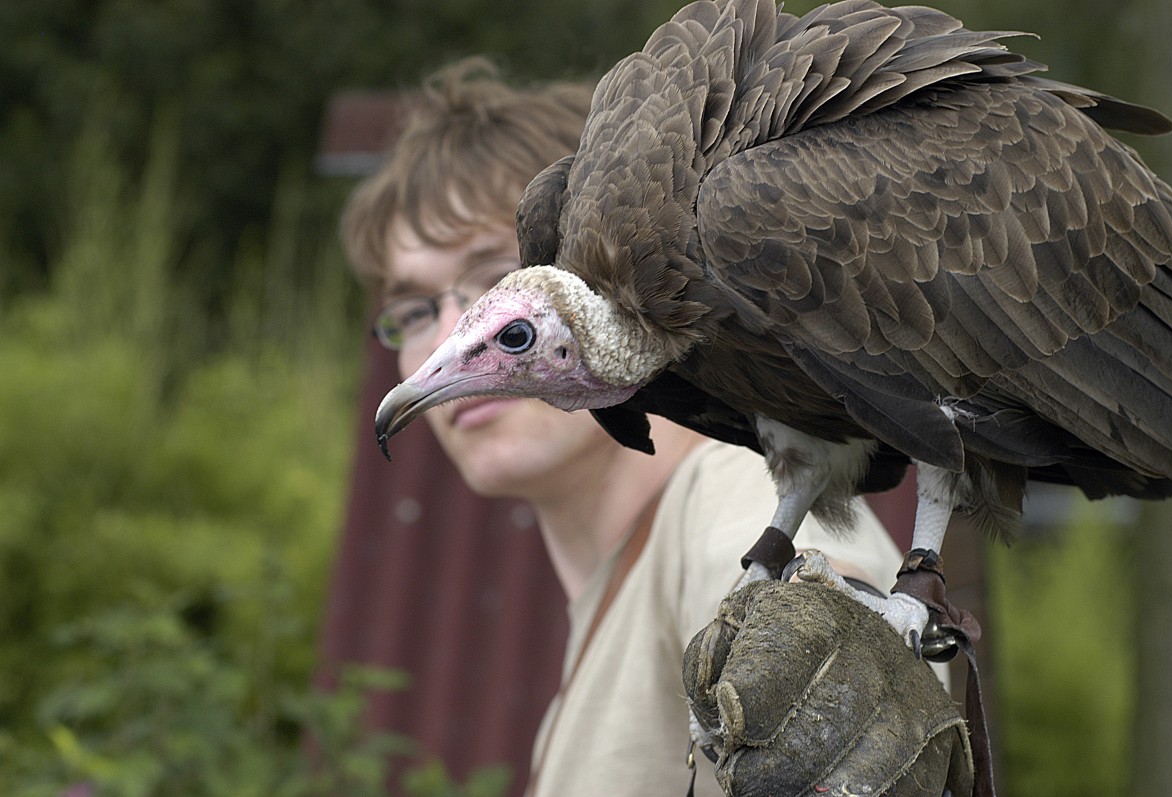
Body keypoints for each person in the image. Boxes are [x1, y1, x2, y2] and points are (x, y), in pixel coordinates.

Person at [339, 57, 907, 797]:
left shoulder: (739, 497)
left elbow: (835, 622)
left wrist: (829, 677)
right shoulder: (598, 630)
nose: (453, 329)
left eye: (491, 279)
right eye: (414, 308)